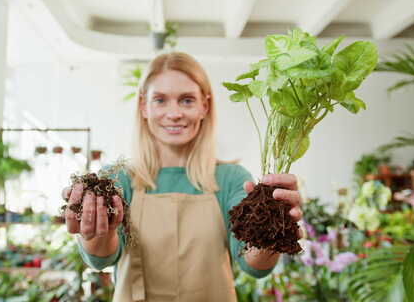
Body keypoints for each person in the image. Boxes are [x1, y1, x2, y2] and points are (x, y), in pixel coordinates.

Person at [62, 52, 303, 302]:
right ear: (143, 106)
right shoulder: (119, 179)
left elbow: (253, 265)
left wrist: (274, 228)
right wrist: (93, 231)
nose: (174, 113)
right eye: (160, 100)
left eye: (187, 100)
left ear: (204, 106)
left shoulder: (231, 179)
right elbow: (102, 258)